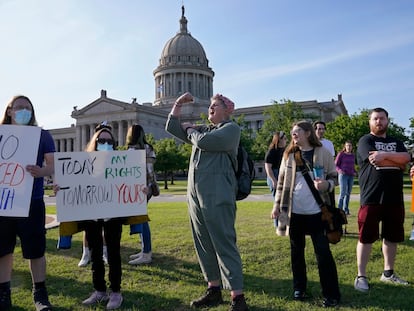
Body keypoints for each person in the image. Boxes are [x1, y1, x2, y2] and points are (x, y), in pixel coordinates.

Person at [165, 92, 248, 311]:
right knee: (203, 243)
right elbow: (173, 128)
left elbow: (205, 142)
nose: (210, 108)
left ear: (227, 110)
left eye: (215, 105)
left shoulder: (230, 129)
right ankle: (213, 289)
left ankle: (237, 297)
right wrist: (177, 105)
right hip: (195, 196)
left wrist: (191, 129)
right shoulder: (203, 129)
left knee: (224, 243)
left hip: (218, 194)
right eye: (210, 105)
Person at [271, 120, 341, 308]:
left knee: (323, 254)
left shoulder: (324, 153)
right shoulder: (289, 155)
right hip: (294, 213)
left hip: (319, 213)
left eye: (297, 132)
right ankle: (299, 288)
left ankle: (331, 294)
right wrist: (276, 206)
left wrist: (327, 184)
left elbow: (335, 177)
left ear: (308, 133)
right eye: (292, 132)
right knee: (296, 252)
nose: (293, 135)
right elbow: (281, 183)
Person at [0, 95, 55, 311]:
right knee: (3, 250)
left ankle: (40, 294)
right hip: (4, 202)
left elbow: (52, 165)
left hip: (31, 201)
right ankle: (4, 294)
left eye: (28, 108)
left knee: (36, 250)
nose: (24, 111)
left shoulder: (42, 135)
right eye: (20, 107)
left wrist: (42, 171)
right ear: (10, 111)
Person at [354, 107, 410, 293]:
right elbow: (375, 161)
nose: (379, 122)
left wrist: (385, 155)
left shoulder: (397, 141)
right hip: (372, 197)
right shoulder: (365, 140)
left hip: (394, 198)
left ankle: (388, 274)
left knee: (391, 237)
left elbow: (407, 158)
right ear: (370, 122)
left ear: (388, 121)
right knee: (366, 238)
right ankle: (361, 276)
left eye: (382, 118)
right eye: (375, 119)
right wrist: (397, 161)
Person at [73, 123, 124, 309]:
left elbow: (129, 185)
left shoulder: (122, 163)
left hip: (113, 215)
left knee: (113, 253)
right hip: (92, 215)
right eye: (101, 140)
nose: (105, 144)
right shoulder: (83, 163)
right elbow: (74, 185)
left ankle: (116, 292)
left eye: (110, 141)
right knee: (95, 254)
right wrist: (60, 188)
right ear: (94, 142)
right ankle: (100, 291)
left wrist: (141, 189)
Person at [126, 124, 156, 265]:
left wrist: (148, 187)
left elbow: (149, 170)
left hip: (142, 189)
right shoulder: (145, 148)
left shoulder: (141, 149)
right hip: (139, 189)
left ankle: (146, 253)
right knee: (140, 219)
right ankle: (145, 250)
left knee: (142, 220)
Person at [264, 131, 287, 230]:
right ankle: (277, 224)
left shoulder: (286, 151)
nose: (286, 140)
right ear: (279, 139)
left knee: (284, 201)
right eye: (284, 138)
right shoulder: (272, 151)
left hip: (283, 174)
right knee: (277, 200)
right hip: (274, 174)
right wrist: (274, 180)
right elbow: (268, 168)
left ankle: (284, 223)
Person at [335, 140, 357, 215]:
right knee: (343, 193)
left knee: (348, 193)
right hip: (343, 175)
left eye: (350, 146)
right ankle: (339, 210)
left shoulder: (353, 155)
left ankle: (346, 210)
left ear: (352, 147)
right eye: (347, 145)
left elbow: (352, 166)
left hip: (350, 176)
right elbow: (336, 165)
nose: (349, 147)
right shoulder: (341, 154)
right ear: (345, 146)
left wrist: (355, 172)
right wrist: (340, 170)